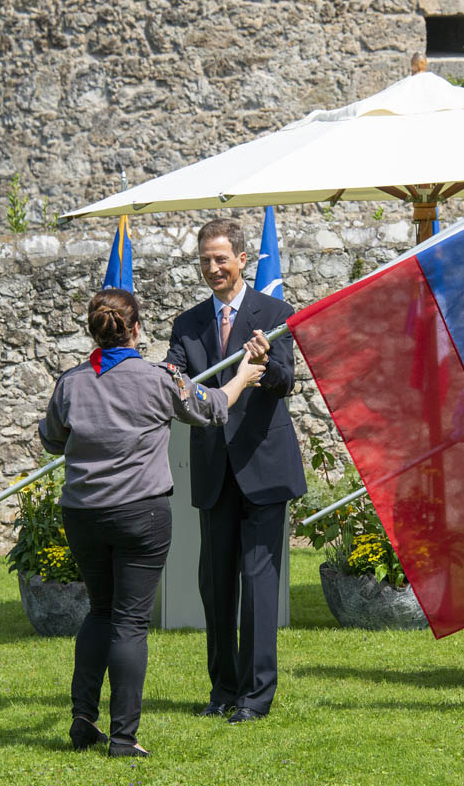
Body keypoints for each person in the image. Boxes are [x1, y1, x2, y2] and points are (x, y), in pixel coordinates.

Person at [40, 289, 264, 758]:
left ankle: (83, 720)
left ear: (92, 330)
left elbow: (52, 440)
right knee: (129, 621)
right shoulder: (159, 378)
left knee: (100, 612)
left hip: (83, 513)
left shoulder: (70, 382)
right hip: (140, 511)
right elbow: (212, 409)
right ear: (137, 328)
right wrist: (242, 375)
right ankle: (123, 738)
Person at [166, 217, 307, 724]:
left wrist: (265, 364)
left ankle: (256, 694)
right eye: (205, 260)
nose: (212, 268)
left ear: (242, 260)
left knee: (258, 582)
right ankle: (223, 689)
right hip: (213, 470)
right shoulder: (187, 325)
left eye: (221, 259)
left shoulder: (274, 312)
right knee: (216, 584)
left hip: (263, 467)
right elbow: (177, 384)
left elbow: (287, 380)